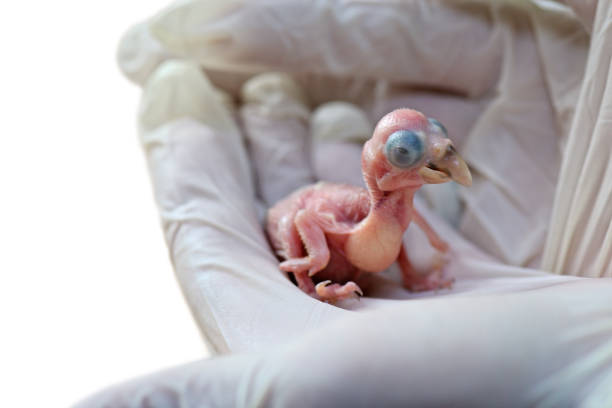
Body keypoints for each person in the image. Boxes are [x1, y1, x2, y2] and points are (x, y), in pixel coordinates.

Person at [76, 1, 612, 406]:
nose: (442, 153)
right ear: (381, 164)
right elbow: (307, 218)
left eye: (438, 138)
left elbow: (397, 230)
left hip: (364, 225)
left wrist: (426, 262)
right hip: (306, 221)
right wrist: (311, 272)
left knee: (395, 220)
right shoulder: (344, 212)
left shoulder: (394, 208)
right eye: (408, 152)